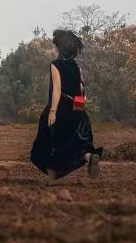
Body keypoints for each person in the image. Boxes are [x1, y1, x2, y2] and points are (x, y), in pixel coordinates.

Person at [30, 29, 103, 181]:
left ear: (60, 47)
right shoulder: (75, 66)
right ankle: (90, 157)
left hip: (61, 108)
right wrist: (80, 105)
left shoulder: (55, 64)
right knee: (75, 143)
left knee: (47, 143)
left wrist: (52, 111)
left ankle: (52, 176)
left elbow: (57, 89)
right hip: (77, 109)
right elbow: (81, 89)